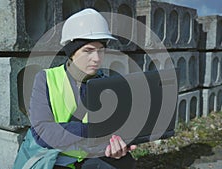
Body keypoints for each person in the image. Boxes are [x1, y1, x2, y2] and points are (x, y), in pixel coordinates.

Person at [13, 8, 137, 169]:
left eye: (101, 50)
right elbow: (43, 132)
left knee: (125, 163)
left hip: (87, 156)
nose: (97, 58)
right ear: (71, 52)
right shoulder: (46, 79)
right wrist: (96, 130)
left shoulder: (107, 84)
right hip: (53, 158)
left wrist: (117, 147)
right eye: (88, 51)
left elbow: (114, 130)